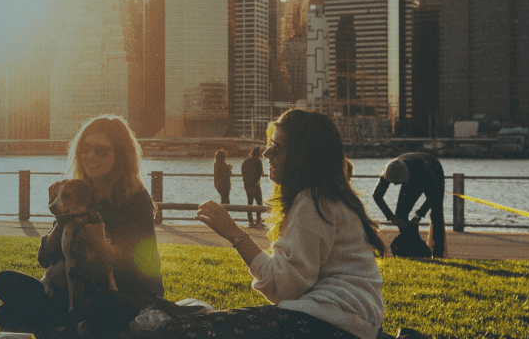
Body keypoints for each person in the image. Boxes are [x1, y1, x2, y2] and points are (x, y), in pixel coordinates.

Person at [157, 109, 386, 339]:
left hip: (333, 323)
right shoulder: (328, 198)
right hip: (348, 322)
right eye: (269, 145)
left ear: (302, 157)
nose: (266, 153)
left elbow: (282, 288)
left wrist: (233, 233)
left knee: (183, 332)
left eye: (276, 148)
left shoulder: (313, 203)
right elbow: (289, 282)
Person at [0, 114, 165, 337]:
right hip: (77, 291)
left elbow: (135, 266)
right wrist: (60, 226)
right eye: (85, 148)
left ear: (120, 155)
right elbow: (45, 258)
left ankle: (60, 325)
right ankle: (71, 326)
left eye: (101, 150)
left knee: (105, 304)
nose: (90, 155)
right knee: (6, 282)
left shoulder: (134, 198)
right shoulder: (76, 191)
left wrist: (98, 243)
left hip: (125, 293)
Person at [373, 152, 446, 258]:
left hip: (433, 168)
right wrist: (392, 217)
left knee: (436, 212)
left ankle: (438, 253)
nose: (395, 185)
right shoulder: (388, 170)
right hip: (410, 173)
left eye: (398, 182)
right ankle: (411, 247)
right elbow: (377, 195)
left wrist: (419, 215)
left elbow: (435, 194)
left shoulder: (423, 169)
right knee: (400, 214)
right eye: (393, 182)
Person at [241, 146, 265, 227]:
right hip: (255, 185)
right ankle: (258, 221)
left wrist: (246, 182)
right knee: (259, 203)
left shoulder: (246, 161)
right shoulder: (258, 161)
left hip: (247, 185)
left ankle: (250, 222)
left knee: (250, 202)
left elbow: (243, 172)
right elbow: (260, 173)